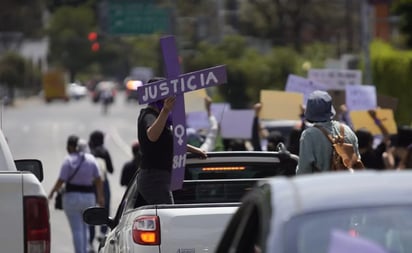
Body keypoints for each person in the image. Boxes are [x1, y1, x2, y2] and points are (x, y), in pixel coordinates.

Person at [137, 77, 207, 205]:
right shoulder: (149, 115)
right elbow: (152, 135)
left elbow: (171, 141)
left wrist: (195, 150)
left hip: (159, 177)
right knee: (167, 216)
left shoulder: (159, 119)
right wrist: (165, 111)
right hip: (154, 178)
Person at [48, 135, 104, 253]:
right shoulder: (91, 159)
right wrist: (100, 197)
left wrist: (52, 193)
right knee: (86, 228)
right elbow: (98, 179)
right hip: (89, 198)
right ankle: (86, 249)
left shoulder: (68, 160)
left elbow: (61, 180)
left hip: (72, 197)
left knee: (77, 229)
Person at [296, 90, 361, 174]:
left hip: (321, 185)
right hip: (347, 185)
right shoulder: (347, 130)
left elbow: (304, 170)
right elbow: (357, 162)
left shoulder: (308, 135)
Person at [87, 130, 114, 246]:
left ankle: (91, 237)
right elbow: (111, 169)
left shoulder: (89, 153)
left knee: (92, 209)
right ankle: (103, 233)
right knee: (105, 207)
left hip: (91, 184)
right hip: (104, 182)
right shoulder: (104, 151)